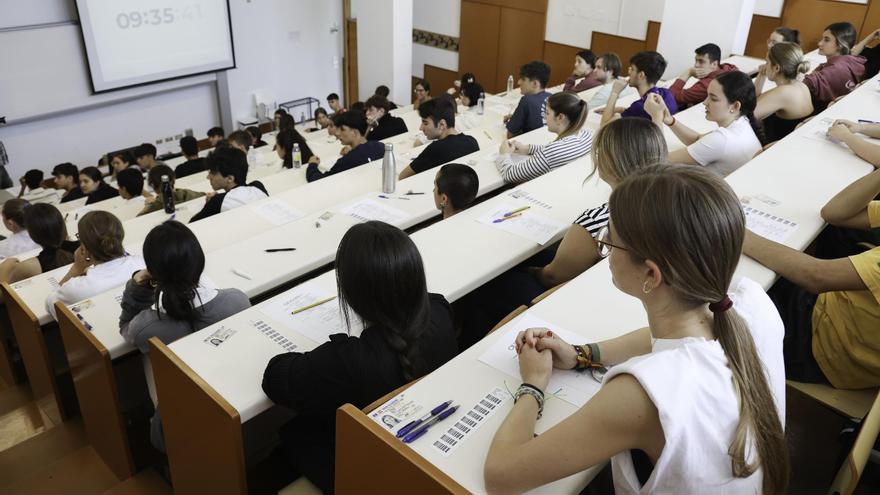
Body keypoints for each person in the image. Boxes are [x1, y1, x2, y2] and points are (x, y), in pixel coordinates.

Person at [484, 164, 788, 495]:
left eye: (610, 243)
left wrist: (533, 383)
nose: (606, 250)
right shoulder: (749, 303)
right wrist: (582, 354)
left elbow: (501, 476)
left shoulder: (642, 393)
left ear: (650, 275)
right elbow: (667, 343)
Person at [262, 221, 458, 493]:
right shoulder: (439, 310)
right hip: (422, 442)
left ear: (353, 293)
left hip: (365, 467)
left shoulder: (348, 360)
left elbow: (275, 378)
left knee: (285, 444)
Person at [457, 119, 667, 350]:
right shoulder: (661, 205)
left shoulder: (600, 221)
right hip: (615, 294)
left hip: (568, 294)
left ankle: (467, 345)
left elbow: (552, 277)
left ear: (609, 161)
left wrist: (527, 270)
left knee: (487, 283)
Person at [119, 220, 251, 451]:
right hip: (236, 392)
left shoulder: (147, 326)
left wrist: (136, 286)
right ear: (199, 261)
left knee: (146, 354)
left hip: (182, 412)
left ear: (153, 271)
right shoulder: (236, 299)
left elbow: (126, 330)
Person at [744, 167, 880, 388]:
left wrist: (737, 232)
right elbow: (834, 214)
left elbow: (815, 276)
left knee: (726, 287)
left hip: (823, 347)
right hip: (833, 306)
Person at [645, 70, 761, 176]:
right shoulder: (742, 123)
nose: (705, 102)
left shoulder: (722, 139)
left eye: (713, 98)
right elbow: (698, 140)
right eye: (707, 96)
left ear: (735, 106)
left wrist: (656, 117)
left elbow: (658, 160)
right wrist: (670, 120)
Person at [46, 211, 145, 319]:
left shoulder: (76, 287)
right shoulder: (142, 263)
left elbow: (51, 303)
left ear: (84, 248)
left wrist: (76, 268)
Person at [497, 91, 591, 183]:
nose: (544, 117)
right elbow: (552, 153)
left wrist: (504, 154)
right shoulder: (587, 136)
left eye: (547, 113)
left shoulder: (552, 152)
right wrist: (527, 149)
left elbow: (509, 174)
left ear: (560, 117)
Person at [398, 98, 479, 179]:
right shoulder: (472, 141)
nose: (421, 128)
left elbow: (402, 176)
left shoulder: (435, 149)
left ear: (442, 124)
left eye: (425, 123)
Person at [0, 204, 79, 283]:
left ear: (32, 234)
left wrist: (5, 267)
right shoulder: (82, 249)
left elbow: (6, 292)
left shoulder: (29, 266)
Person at [754, 42, 814, 142]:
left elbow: (748, 114)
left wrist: (761, 76)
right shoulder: (800, 85)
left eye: (767, 62)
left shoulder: (783, 92)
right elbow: (754, 101)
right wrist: (761, 74)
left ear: (776, 68)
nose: (764, 66)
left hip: (779, 146)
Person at [190, 148, 268, 222]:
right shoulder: (258, 187)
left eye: (213, 172)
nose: (208, 177)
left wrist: (208, 204)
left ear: (230, 178)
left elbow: (193, 223)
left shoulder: (217, 201)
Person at [306, 111, 385, 182]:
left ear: (354, 132)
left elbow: (319, 181)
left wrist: (312, 165)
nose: (337, 133)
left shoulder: (347, 161)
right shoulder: (380, 146)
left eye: (342, 129)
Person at [602, 51, 677, 125]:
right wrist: (622, 110)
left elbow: (604, 126)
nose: (629, 72)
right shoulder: (667, 93)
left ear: (641, 75)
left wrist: (615, 92)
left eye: (632, 69)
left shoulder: (639, 107)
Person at [804, 22, 866, 113]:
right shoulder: (850, 61)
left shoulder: (835, 69)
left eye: (826, 40)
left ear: (840, 45)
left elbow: (805, 84)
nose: (819, 43)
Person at [669, 43, 738, 109]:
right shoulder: (729, 68)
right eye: (696, 61)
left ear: (714, 64)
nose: (696, 65)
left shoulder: (707, 85)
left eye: (701, 61)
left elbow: (670, 97)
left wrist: (688, 72)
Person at [505, 61, 552, 138]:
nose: (518, 82)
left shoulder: (526, 100)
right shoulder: (551, 97)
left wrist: (514, 123)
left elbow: (510, 135)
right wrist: (516, 117)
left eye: (523, 79)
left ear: (535, 84)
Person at [139, 165, 206, 216]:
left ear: (152, 185)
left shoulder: (154, 206)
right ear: (174, 179)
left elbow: (138, 221)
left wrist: (147, 207)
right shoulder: (188, 194)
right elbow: (205, 196)